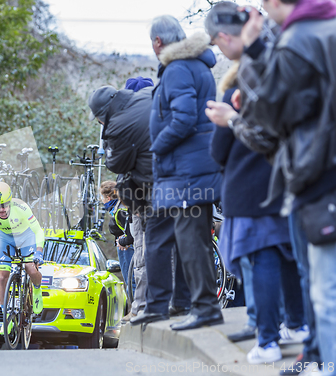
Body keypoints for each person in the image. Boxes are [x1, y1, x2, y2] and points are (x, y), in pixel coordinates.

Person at [206, 0, 336, 370]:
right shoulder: (315, 32)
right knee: (302, 271)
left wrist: (233, 119)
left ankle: (300, 351)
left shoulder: (295, 40)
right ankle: (309, 346)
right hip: (300, 179)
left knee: (319, 286)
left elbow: (272, 118)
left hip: (304, 178)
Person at [132, 16, 223, 330]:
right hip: (179, 174)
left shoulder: (179, 68)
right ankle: (164, 305)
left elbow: (184, 119)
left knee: (190, 239)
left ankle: (203, 307)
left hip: (186, 174)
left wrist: (157, 146)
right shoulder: (192, 66)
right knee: (165, 235)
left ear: (158, 42)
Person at [87, 79, 154, 323]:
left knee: (145, 254)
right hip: (146, 196)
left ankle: (145, 305)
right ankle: (142, 305)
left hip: (146, 197)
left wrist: (125, 234)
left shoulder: (125, 124)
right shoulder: (149, 109)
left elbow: (117, 163)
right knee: (146, 254)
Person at [0, 182, 44, 335]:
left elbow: (38, 231)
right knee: (1, 276)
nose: (2, 209)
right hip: (5, 237)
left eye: (5, 205)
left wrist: (39, 252)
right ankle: (6, 316)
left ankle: (37, 289)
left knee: (30, 268)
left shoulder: (21, 207)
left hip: (26, 236)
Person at [100, 181, 135, 319]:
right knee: (130, 279)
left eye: (102, 198)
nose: (102, 201)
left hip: (127, 247)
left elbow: (130, 230)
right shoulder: (118, 207)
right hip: (125, 246)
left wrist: (123, 240)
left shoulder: (121, 210)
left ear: (108, 198)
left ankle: (134, 310)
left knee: (130, 279)